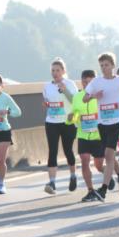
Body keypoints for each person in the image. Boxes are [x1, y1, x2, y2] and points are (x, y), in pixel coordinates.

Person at [81, 52, 119, 199]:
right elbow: (84, 98)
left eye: (106, 65)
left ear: (113, 65)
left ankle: (103, 189)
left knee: (108, 155)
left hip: (116, 121)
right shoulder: (96, 82)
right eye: (101, 65)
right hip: (102, 123)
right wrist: (94, 96)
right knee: (109, 155)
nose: (104, 68)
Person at [41, 58, 79, 194]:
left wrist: (65, 90)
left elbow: (75, 102)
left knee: (68, 150)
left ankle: (73, 176)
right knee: (52, 151)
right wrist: (45, 104)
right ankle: (52, 182)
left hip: (68, 121)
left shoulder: (69, 84)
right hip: (51, 121)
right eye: (53, 70)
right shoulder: (47, 86)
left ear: (63, 71)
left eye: (57, 70)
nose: (55, 73)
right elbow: (47, 101)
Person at [70, 69, 106, 202]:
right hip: (83, 135)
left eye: (89, 82)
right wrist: (72, 117)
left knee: (98, 166)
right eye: (84, 82)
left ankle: (108, 177)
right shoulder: (77, 97)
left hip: (98, 136)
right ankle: (90, 190)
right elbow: (75, 117)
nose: (86, 84)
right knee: (85, 162)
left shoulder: (101, 95)